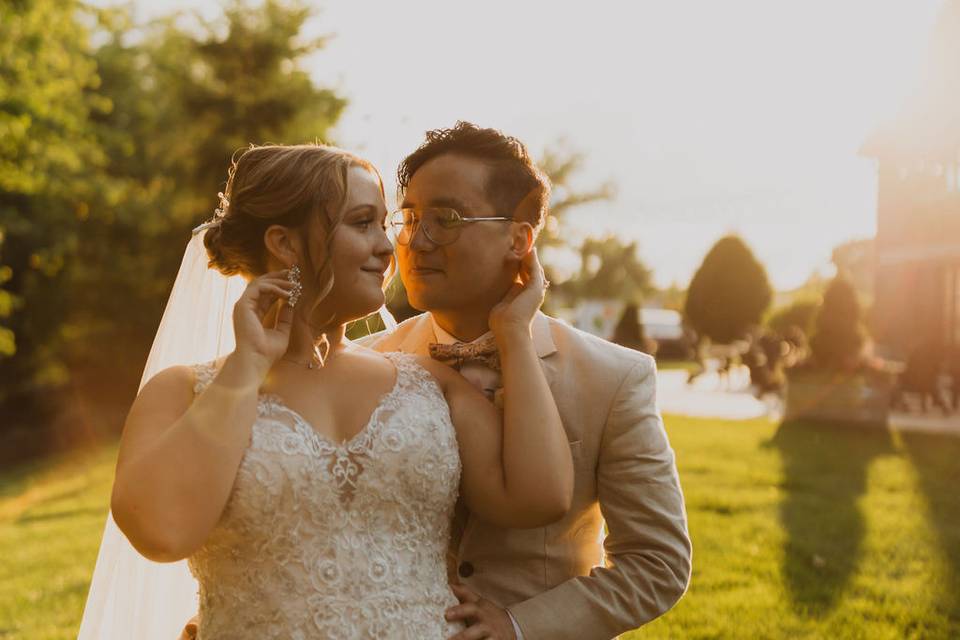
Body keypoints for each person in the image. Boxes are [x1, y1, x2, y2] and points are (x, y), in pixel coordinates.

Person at [84, 143, 574, 639]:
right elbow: (163, 534)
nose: (389, 249)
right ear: (285, 243)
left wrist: (514, 330)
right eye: (362, 223)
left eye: (385, 225)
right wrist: (247, 365)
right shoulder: (183, 391)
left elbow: (540, 496)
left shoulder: (429, 382)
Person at [365, 122, 692, 639]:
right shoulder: (363, 363)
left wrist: (521, 626)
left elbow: (658, 563)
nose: (417, 241)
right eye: (408, 218)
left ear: (519, 240)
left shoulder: (614, 378)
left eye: (446, 219)